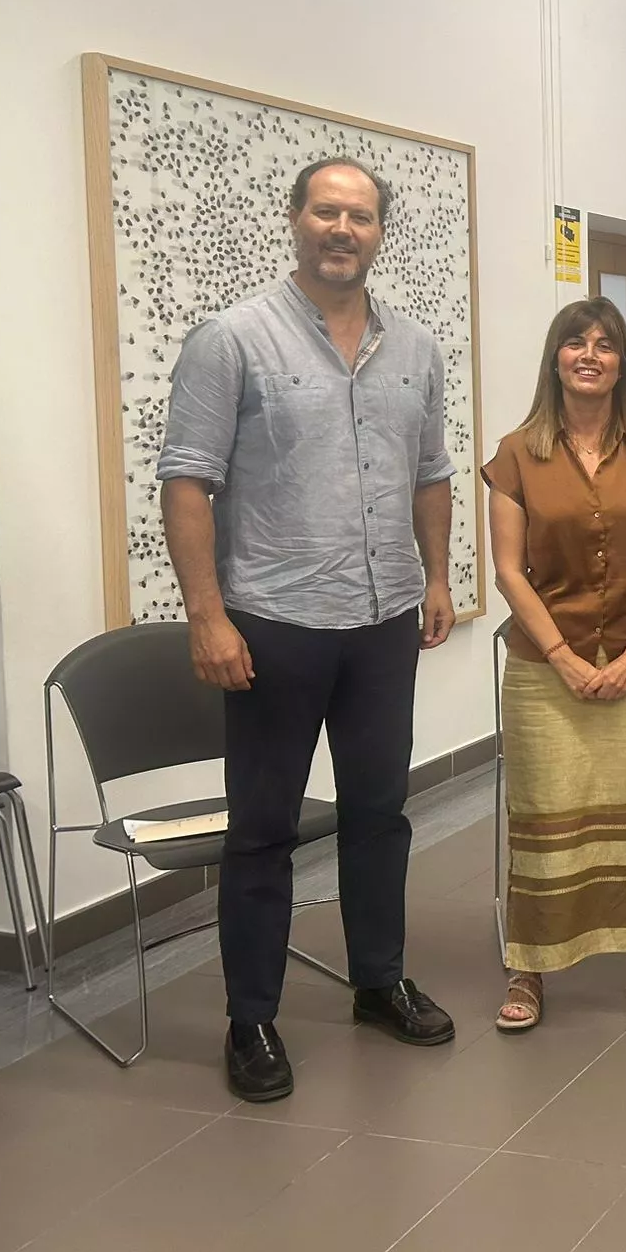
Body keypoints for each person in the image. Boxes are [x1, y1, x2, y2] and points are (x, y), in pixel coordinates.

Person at [158, 157, 456, 1104]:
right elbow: (187, 481)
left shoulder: (416, 347)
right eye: (326, 211)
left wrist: (440, 574)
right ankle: (251, 1020)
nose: (342, 229)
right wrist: (207, 614)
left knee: (379, 815)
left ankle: (378, 981)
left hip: (382, 623)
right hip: (274, 623)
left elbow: (432, 472)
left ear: (379, 233)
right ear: (295, 220)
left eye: (360, 216)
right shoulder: (232, 339)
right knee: (262, 832)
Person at [482, 298, 626, 1031]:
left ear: (622, 364)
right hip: (547, 669)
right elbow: (509, 573)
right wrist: (565, 657)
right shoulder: (517, 452)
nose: (591, 354)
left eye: (606, 344)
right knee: (545, 812)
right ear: (556, 357)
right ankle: (530, 967)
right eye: (577, 342)